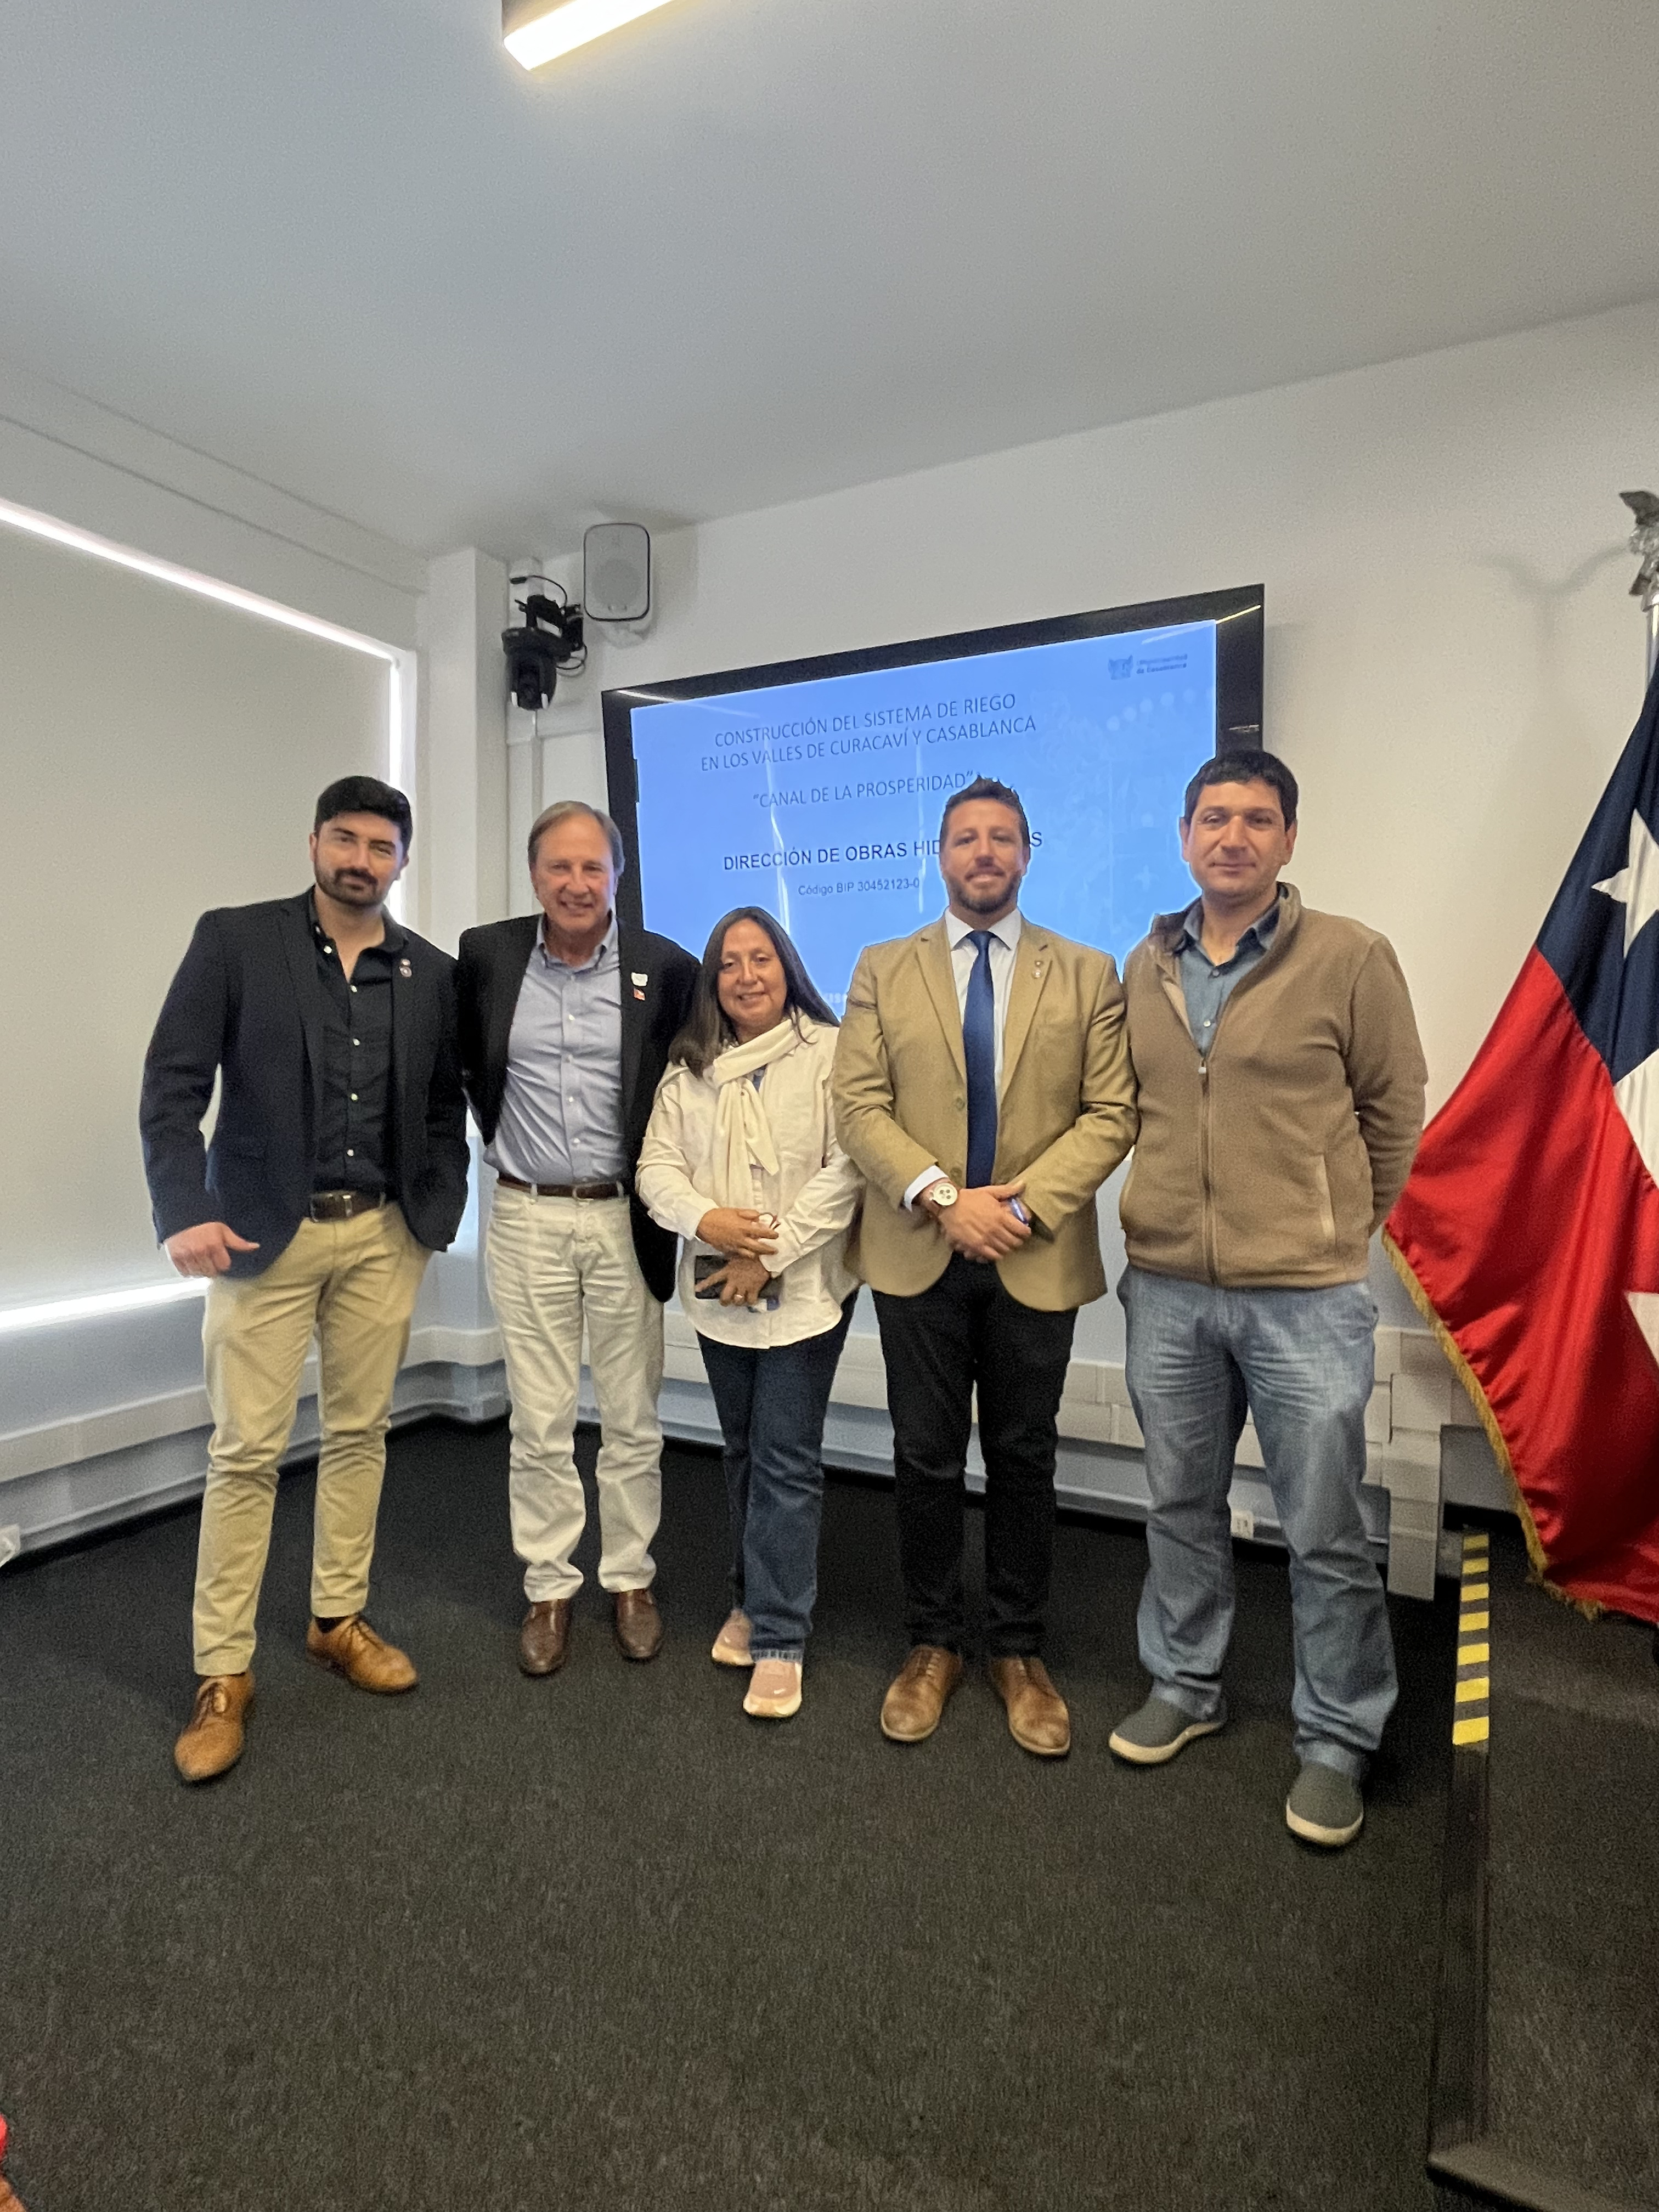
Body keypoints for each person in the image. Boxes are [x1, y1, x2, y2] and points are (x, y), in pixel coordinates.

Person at [1110, 748, 1426, 1849]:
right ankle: (1185, 1684)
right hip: (1167, 1289)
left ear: (1289, 838)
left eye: (1256, 819)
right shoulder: (1145, 963)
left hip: (1306, 1300)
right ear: (1185, 837)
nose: (1232, 836)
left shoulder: (1351, 956)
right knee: (1179, 1506)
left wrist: (1333, 1230)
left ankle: (1338, 1735)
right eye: (1213, 817)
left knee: (1324, 1526)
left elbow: (1394, 1112)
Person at [141, 776, 470, 1784]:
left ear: (402, 861)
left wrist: (433, 1215)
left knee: (361, 1434)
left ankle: (337, 1619)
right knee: (246, 1452)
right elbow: (174, 1084)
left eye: (380, 846)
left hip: (382, 1237)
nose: (361, 860)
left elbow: (442, 1108)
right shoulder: (237, 940)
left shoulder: (431, 971)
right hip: (261, 1238)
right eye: (345, 839)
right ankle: (222, 1674)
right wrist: (182, 1208)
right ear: (315, 843)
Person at [833, 776, 1138, 1756]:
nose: (984, 853)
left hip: (1030, 1251)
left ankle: (1017, 1649)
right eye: (966, 838)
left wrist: (1015, 1207)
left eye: (1002, 838)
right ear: (941, 855)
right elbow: (858, 1106)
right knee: (923, 1455)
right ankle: (932, 1642)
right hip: (916, 1250)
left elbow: (1112, 1113)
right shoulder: (882, 968)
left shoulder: (1087, 973)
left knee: (1023, 1454)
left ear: (1027, 854)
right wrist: (941, 1197)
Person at [456, 801, 698, 1675]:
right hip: (527, 1214)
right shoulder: (486, 957)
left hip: (626, 1214)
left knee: (632, 1416)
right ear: (535, 875)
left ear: (618, 875)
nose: (576, 883)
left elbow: (689, 1086)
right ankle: (550, 1587)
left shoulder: (665, 967)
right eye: (559, 867)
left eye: (593, 867)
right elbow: (468, 1067)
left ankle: (630, 1579)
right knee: (540, 1419)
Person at [636, 908, 861, 1720]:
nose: (746, 976)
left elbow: (848, 1171)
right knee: (742, 1452)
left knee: (786, 1459)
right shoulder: (690, 1069)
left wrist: (767, 1251)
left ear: (787, 966)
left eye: (760, 958)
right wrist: (709, 1222)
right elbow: (656, 1169)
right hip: (717, 1293)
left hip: (805, 1291)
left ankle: (780, 1635)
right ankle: (749, 1596)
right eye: (729, 963)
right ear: (713, 980)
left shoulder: (832, 1054)